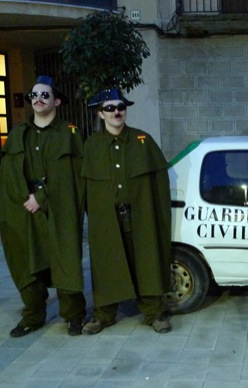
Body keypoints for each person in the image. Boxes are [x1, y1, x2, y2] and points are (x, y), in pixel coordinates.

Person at [0, 75, 86, 337]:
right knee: (27, 259)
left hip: (59, 207)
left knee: (65, 256)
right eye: (33, 95)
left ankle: (73, 314)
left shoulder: (69, 133)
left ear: (56, 100)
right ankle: (33, 314)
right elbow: (8, 174)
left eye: (44, 95)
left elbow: (73, 174)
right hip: (24, 207)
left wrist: (43, 197)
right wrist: (25, 198)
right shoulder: (17, 135)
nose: (38, 99)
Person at [81, 88, 172, 334]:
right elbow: (83, 187)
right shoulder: (91, 146)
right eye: (109, 108)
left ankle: (154, 312)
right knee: (106, 264)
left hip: (140, 216)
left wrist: (159, 215)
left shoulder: (143, 141)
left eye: (120, 107)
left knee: (147, 261)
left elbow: (160, 181)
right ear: (100, 113)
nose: (116, 112)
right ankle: (104, 315)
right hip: (107, 220)